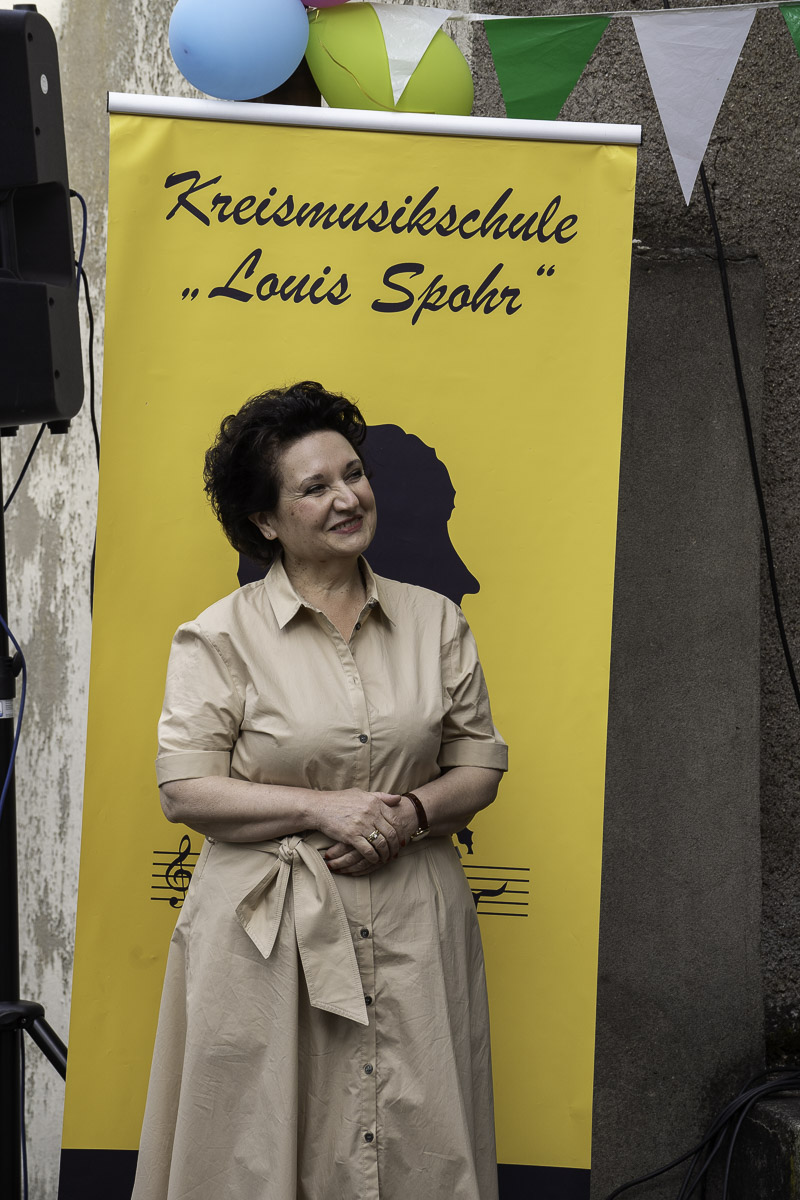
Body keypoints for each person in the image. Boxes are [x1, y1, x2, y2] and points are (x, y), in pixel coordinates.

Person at [131, 381, 508, 1200]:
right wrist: (321, 809)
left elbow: (480, 766)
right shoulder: (218, 636)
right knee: (255, 1152)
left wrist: (410, 813)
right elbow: (184, 789)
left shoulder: (436, 622)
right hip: (264, 939)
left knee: (418, 1144)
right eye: (315, 487)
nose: (347, 498)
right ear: (266, 521)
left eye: (353, 474)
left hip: (413, 923)